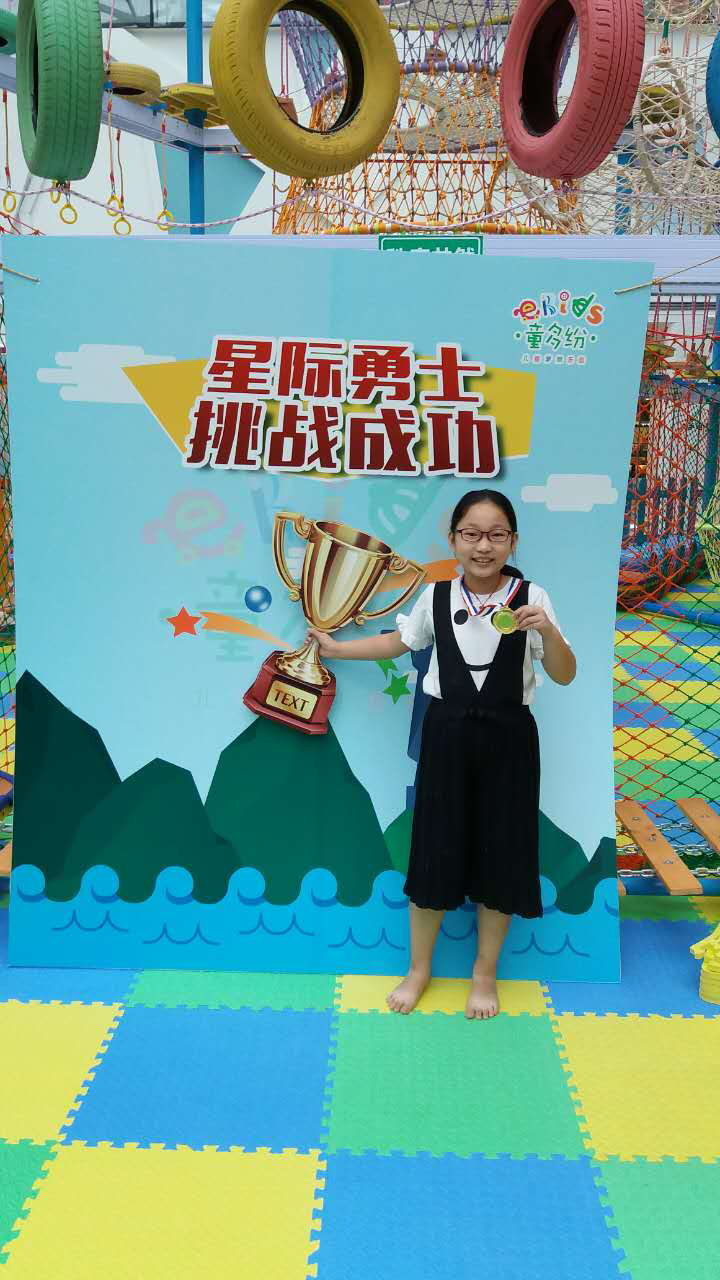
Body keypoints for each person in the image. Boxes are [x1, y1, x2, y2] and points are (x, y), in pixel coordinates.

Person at [308, 489, 576, 1020]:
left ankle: (484, 972)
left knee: (503, 853)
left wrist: (546, 630)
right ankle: (419, 969)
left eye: (496, 535)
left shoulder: (533, 598)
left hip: (510, 739)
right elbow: (398, 643)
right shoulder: (435, 597)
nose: (483, 546)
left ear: (513, 541)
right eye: (471, 534)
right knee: (434, 848)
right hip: (446, 735)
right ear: (453, 539)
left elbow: (565, 674)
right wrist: (338, 649)